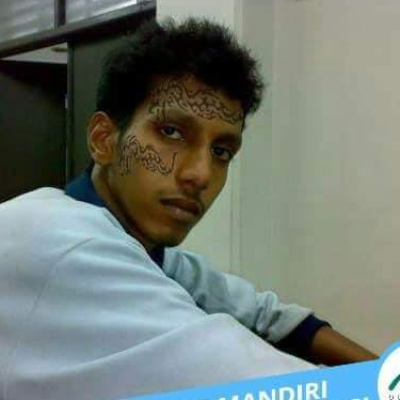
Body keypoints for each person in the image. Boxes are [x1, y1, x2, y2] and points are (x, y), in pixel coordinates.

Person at [0, 18, 376, 400]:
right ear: (103, 139)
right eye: (171, 132)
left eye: (221, 151)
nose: (201, 174)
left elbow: (266, 314)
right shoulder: (65, 244)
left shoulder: (146, 251)